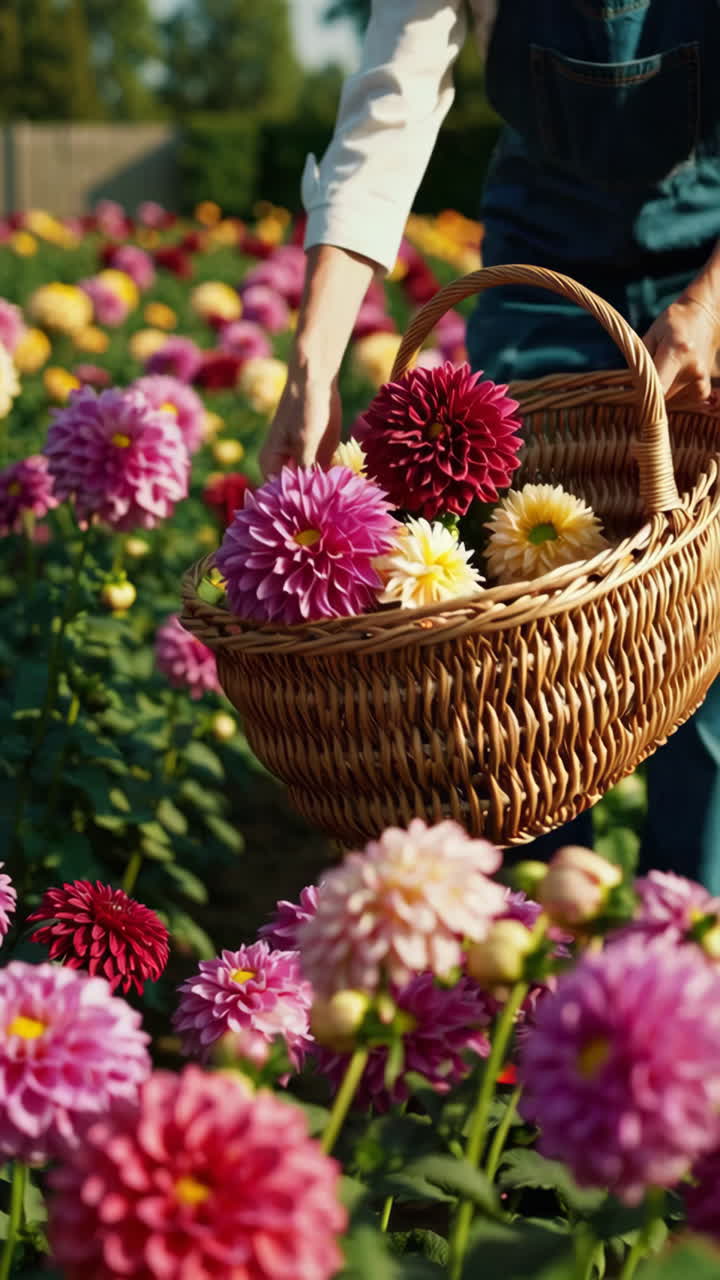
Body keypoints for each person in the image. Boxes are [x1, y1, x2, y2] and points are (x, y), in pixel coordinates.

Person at [259, 1, 720, 886]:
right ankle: (532, 954)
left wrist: (707, 308)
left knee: (708, 626)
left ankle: (688, 938)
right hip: (547, 257)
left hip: (709, 248)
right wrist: (310, 369)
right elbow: (386, 119)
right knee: (521, 630)